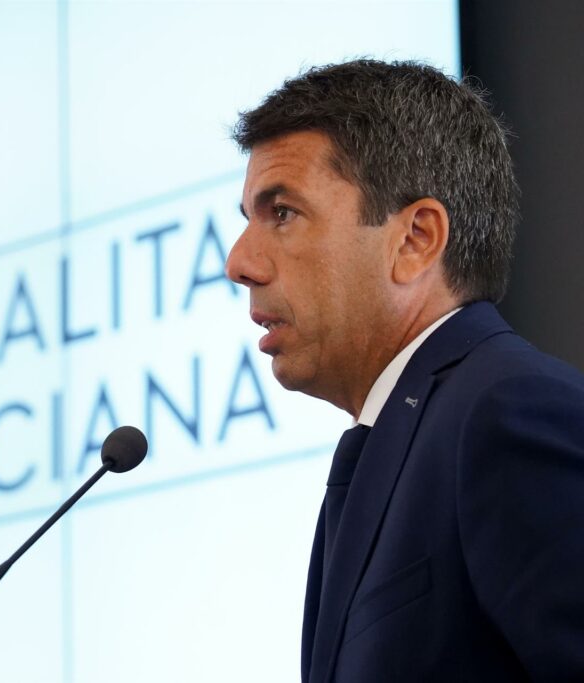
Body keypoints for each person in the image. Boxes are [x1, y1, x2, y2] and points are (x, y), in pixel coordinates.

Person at [224, 60, 584, 681]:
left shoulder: (507, 413)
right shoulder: (406, 432)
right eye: (247, 220)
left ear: (416, 239)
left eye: (281, 212)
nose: (239, 262)